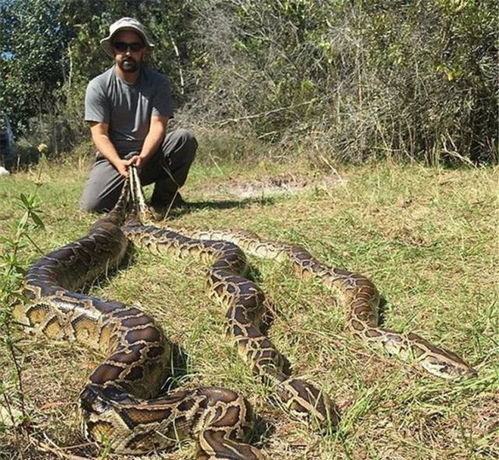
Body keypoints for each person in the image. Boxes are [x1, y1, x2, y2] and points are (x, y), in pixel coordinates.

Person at [80, 17, 197, 214]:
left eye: (134, 47)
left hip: (149, 155)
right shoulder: (98, 86)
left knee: (184, 139)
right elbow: (99, 135)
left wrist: (142, 157)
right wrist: (118, 163)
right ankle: (128, 196)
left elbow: (158, 126)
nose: (128, 53)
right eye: (121, 46)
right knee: (92, 206)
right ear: (113, 49)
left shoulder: (158, 83)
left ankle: (164, 199)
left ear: (144, 50)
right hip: (115, 159)